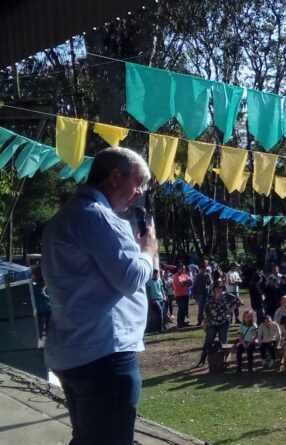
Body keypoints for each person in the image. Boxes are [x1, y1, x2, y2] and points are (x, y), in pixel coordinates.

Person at [41, 147, 157, 445]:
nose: (140, 192)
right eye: (138, 182)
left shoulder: (66, 217)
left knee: (87, 439)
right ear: (115, 176)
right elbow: (130, 278)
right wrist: (147, 252)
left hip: (77, 349)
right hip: (105, 353)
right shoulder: (97, 217)